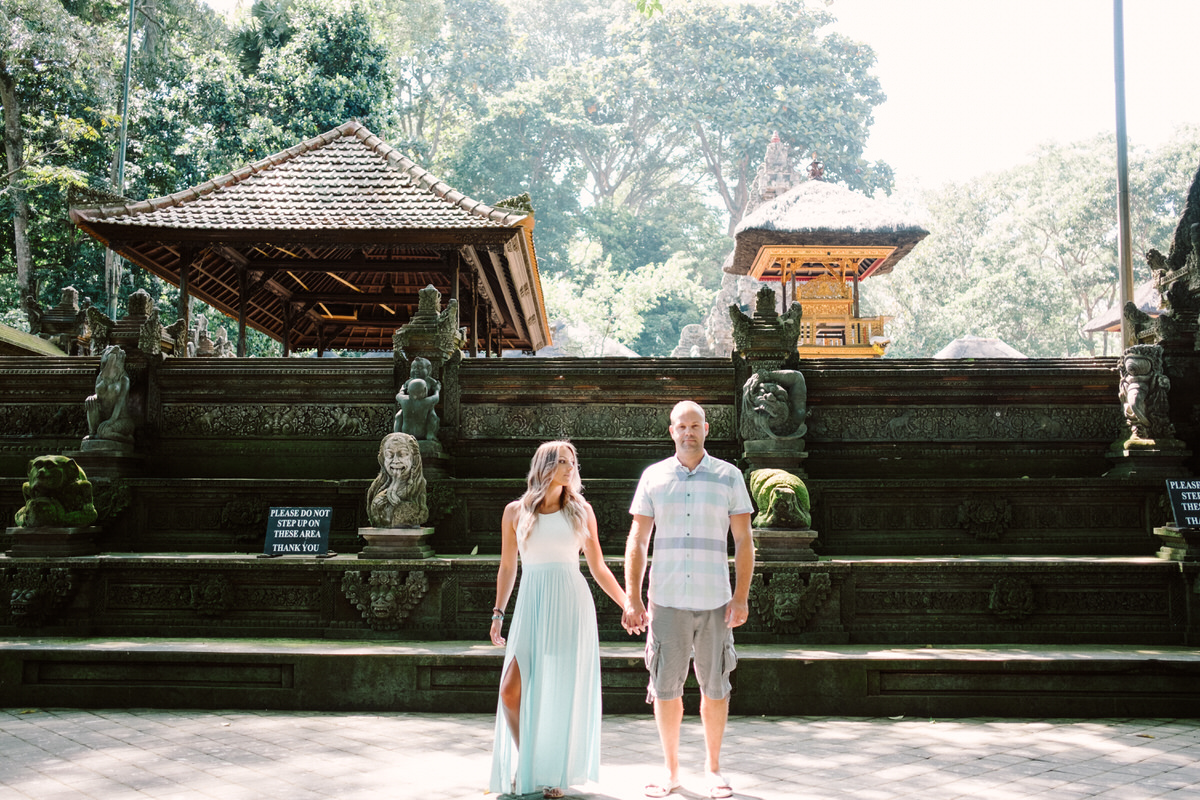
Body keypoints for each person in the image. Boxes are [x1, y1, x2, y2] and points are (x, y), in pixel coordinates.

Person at [623, 401, 755, 799]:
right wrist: (632, 596)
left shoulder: (729, 476)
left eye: (695, 425)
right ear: (671, 431)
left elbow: (744, 541)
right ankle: (670, 770)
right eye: (681, 426)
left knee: (715, 687)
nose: (688, 432)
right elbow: (638, 540)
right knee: (666, 688)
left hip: (715, 600)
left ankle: (713, 769)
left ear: (706, 429)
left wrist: (741, 596)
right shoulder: (654, 477)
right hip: (666, 600)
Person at [490, 441, 630, 799]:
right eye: (563, 462)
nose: (571, 468)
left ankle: (552, 775)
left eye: (573, 462)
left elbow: (598, 566)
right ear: (545, 466)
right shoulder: (514, 512)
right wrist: (498, 613)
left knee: (559, 690)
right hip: (531, 603)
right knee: (510, 691)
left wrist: (627, 603)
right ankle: (533, 761)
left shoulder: (580, 511)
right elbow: (508, 567)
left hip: (570, 602)